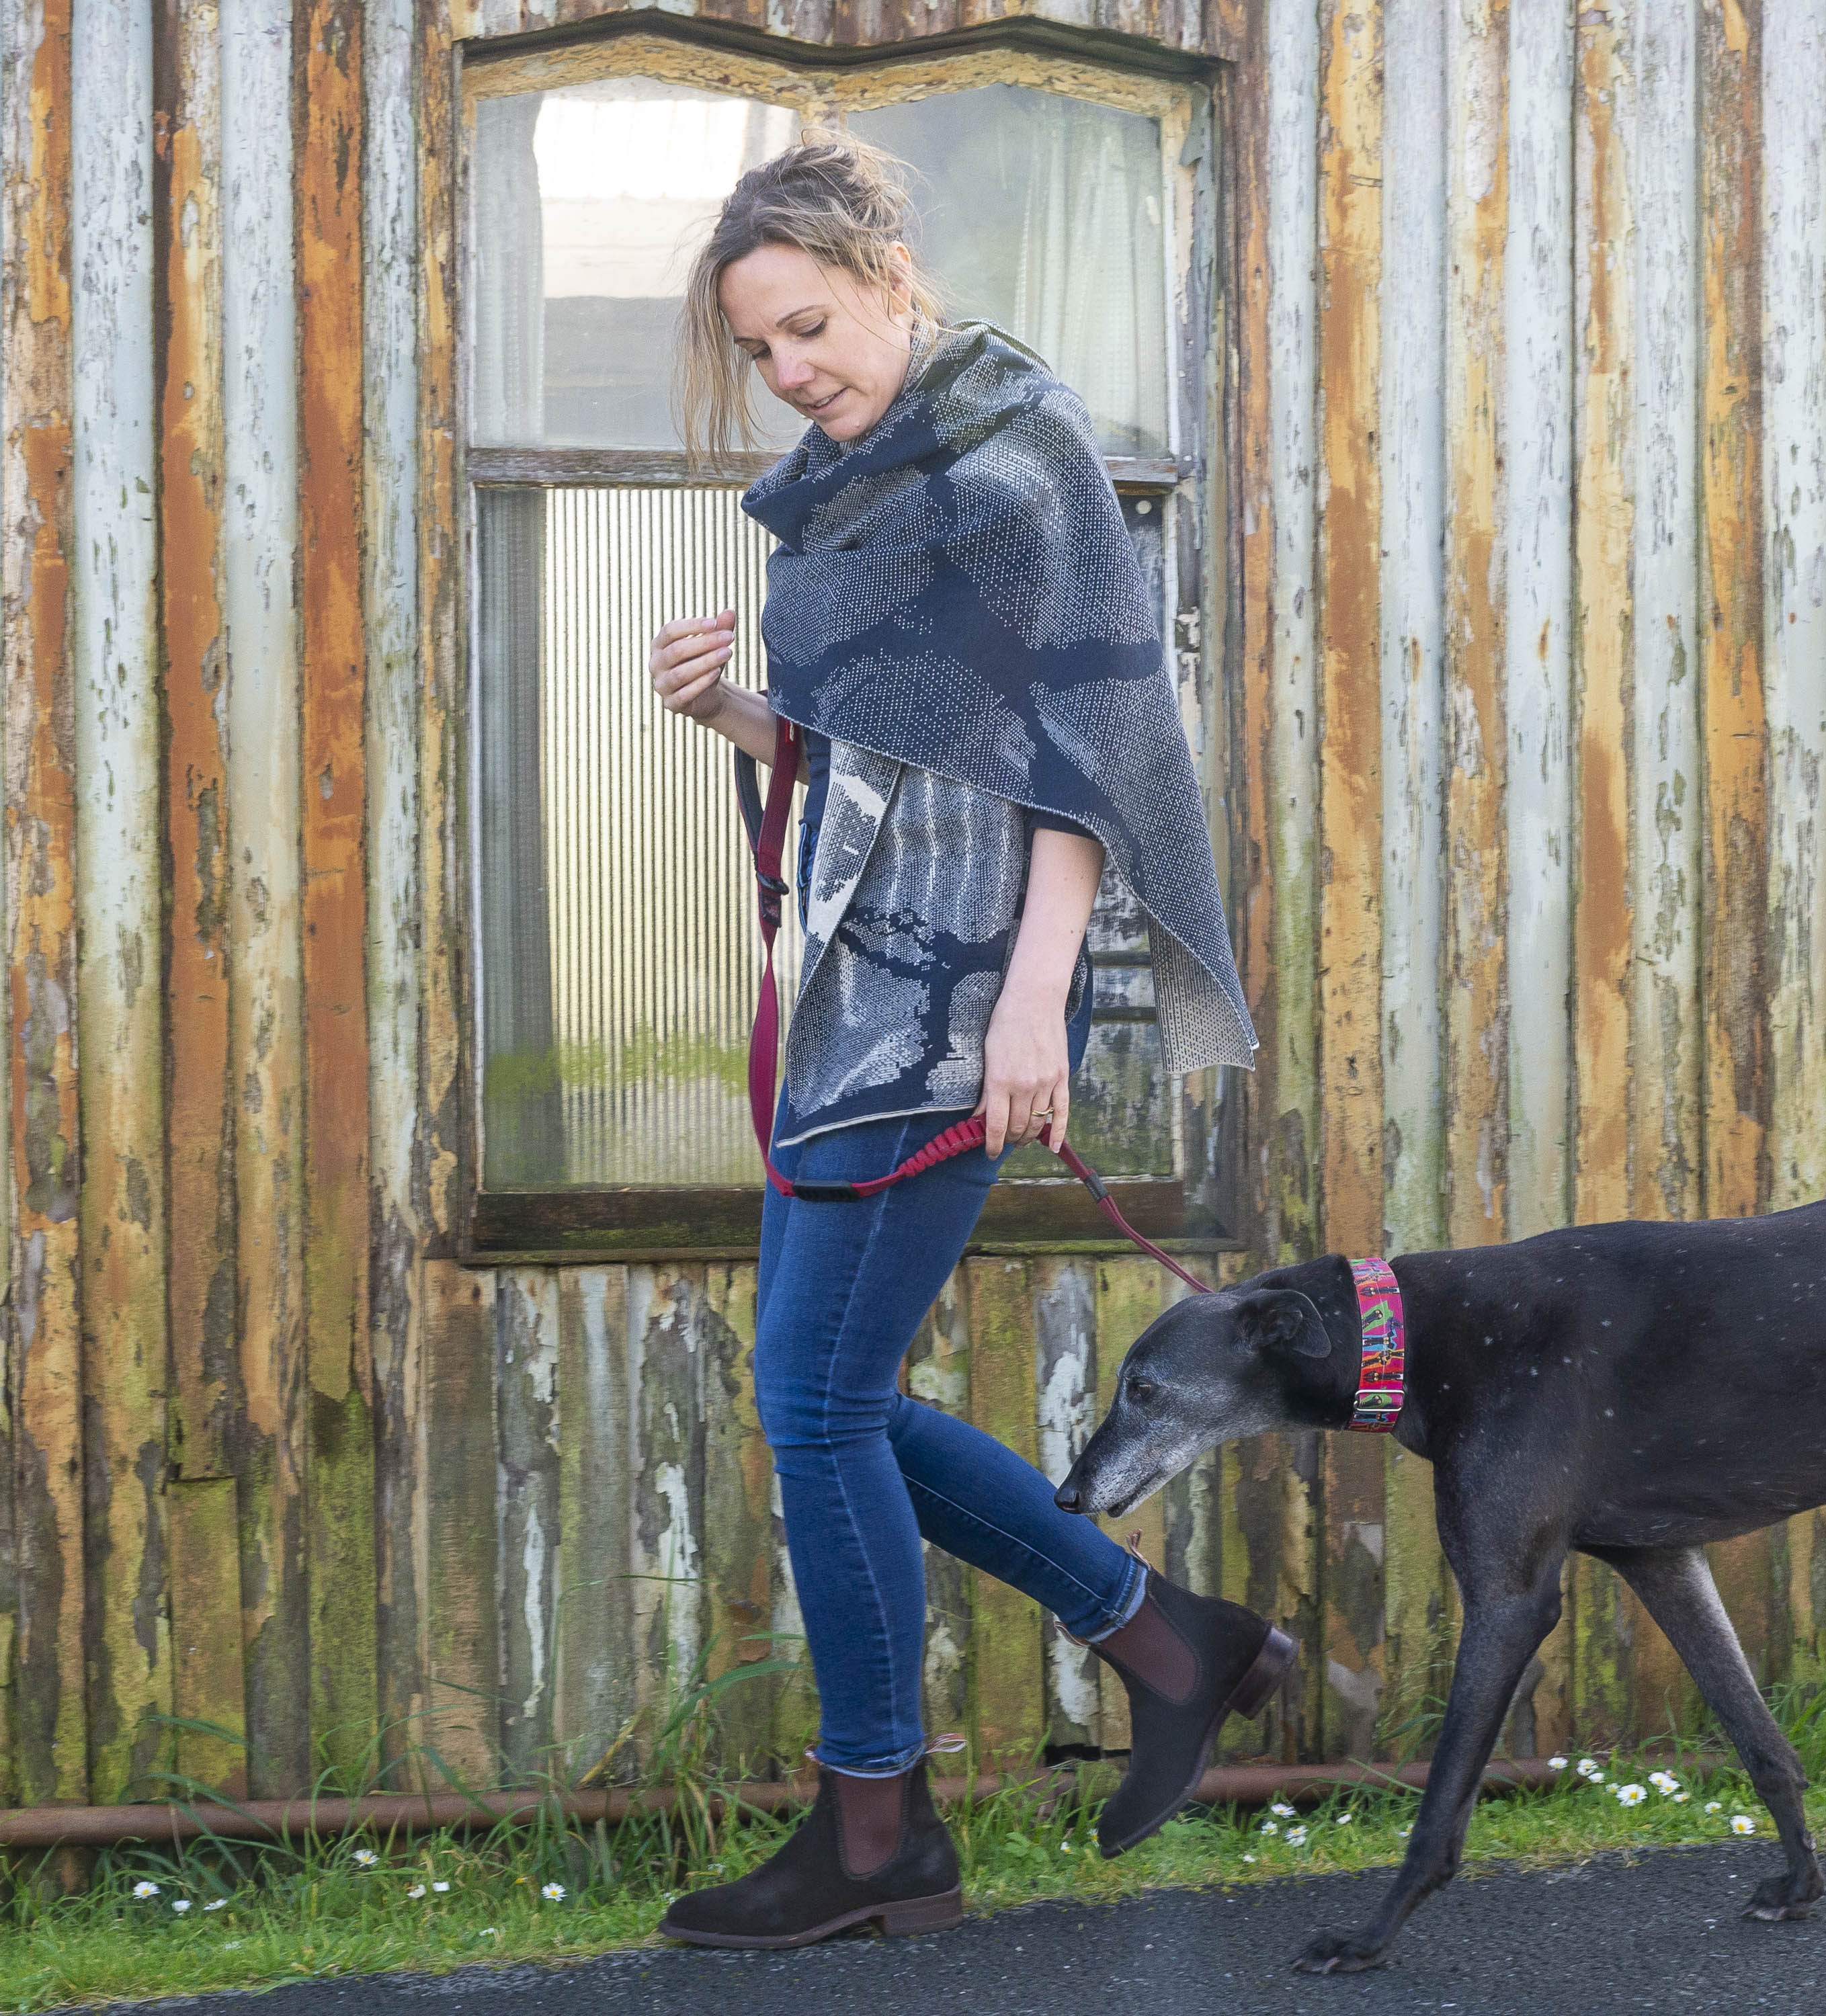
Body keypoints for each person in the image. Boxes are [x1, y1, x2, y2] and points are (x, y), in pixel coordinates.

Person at [648, 132, 1276, 1951]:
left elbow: (1083, 741)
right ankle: (1164, 1642)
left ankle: (877, 1832)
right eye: (760, 349)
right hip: (850, 985)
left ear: (888, 273)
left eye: (811, 327)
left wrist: (1034, 993)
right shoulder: (849, 485)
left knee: (815, 1402)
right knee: (820, 1398)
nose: (790, 371)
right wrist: (734, 716)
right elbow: (882, 762)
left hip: (960, 996)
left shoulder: (1021, 453)